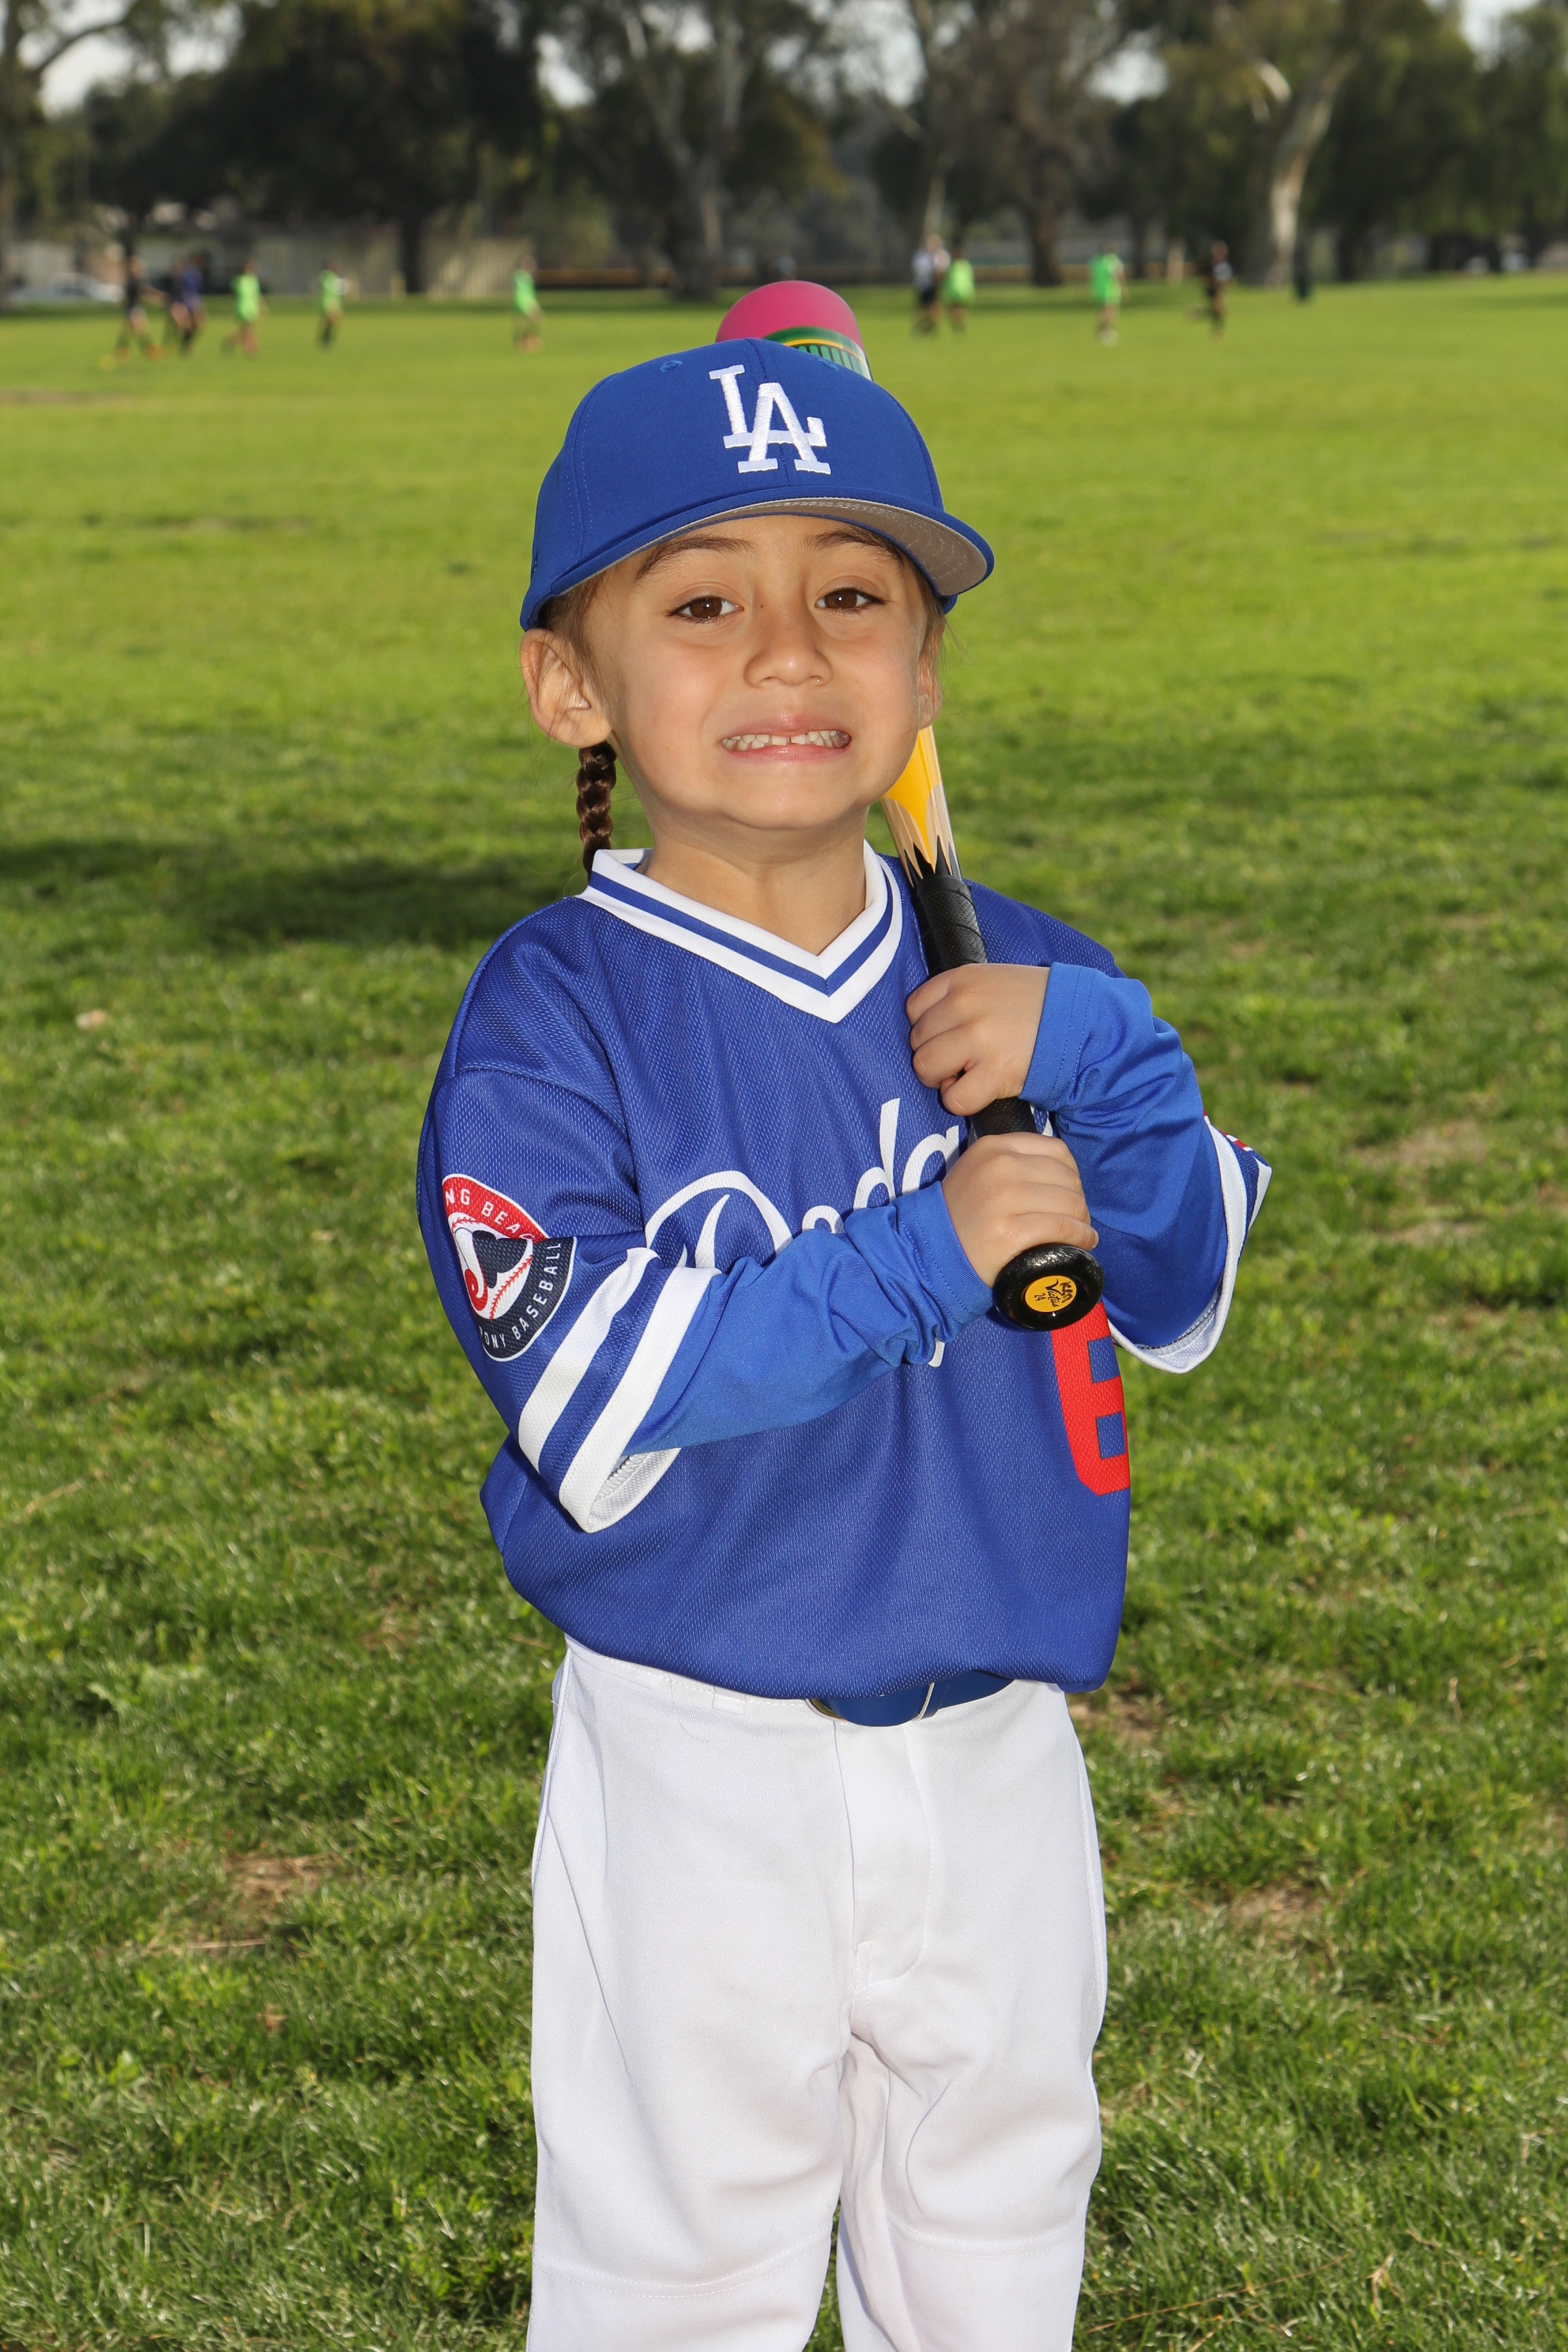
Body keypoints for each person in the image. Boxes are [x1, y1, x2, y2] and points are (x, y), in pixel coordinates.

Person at [417, 340, 1271, 2350]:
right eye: (704, 602)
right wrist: (929, 1250)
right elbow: (603, 1381)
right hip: (698, 1762)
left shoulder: (1025, 971)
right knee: (676, 2286)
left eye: (856, 595)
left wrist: (1122, 1063)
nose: (791, 652)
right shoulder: (554, 1015)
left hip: (999, 1758)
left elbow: (1178, 1283)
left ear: (925, 669)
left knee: (994, 2260)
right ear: (569, 683)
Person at [102, 255, 163, 365]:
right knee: (139, 332)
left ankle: (122, 352)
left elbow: (143, 292)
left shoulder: (133, 281)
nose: (141, 269)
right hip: (134, 310)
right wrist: (156, 301)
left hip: (134, 309)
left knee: (131, 332)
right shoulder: (133, 282)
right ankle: (148, 351)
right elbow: (142, 294)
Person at [164, 253, 206, 354]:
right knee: (183, 325)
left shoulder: (193, 276)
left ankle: (186, 343)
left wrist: (197, 304)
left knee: (198, 324)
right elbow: (172, 296)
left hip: (191, 303)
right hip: (180, 305)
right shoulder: (175, 280)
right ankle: (184, 345)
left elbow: (194, 293)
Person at [223, 261, 265, 357]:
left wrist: (262, 307)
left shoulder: (253, 281)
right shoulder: (238, 281)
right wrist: (228, 307)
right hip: (242, 306)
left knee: (247, 329)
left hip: (252, 306)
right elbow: (233, 295)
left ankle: (231, 342)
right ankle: (249, 348)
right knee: (247, 328)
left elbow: (257, 295)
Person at [911, 229, 948, 332]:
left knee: (934, 306)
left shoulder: (941, 255)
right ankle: (924, 325)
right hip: (923, 285)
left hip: (935, 285)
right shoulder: (921, 256)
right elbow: (918, 269)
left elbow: (944, 269)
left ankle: (932, 325)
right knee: (922, 307)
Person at [1088, 245, 1126, 343]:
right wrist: (1124, 288)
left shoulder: (1097, 261)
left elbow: (1091, 275)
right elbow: (1118, 275)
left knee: (1102, 310)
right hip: (1111, 290)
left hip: (1099, 290)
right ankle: (1106, 330)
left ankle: (1102, 330)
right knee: (1111, 311)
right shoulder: (1112, 261)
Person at [511, 251, 543, 350]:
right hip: (523, 302)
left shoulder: (523, 276)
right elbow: (519, 290)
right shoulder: (522, 276)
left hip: (527, 301)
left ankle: (526, 338)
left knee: (530, 320)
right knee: (533, 319)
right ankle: (527, 339)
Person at [1201, 238, 1232, 334]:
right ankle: (1217, 330)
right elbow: (1207, 279)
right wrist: (1214, 284)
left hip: (1220, 290)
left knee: (1220, 310)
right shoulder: (1211, 265)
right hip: (1213, 291)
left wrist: (1225, 285)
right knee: (1218, 309)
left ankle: (1217, 329)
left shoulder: (1224, 265)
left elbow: (1227, 279)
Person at [942, 242, 975, 330]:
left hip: (955, 291)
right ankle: (960, 321)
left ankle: (958, 323)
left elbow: (950, 279)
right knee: (960, 308)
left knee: (953, 308)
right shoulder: (967, 266)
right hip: (966, 291)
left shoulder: (953, 266)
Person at [315, 260, 346, 346]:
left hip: (335, 302)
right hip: (327, 302)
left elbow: (337, 291)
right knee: (330, 320)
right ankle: (325, 338)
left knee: (334, 321)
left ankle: (327, 338)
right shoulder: (325, 276)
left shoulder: (334, 278)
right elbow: (321, 288)